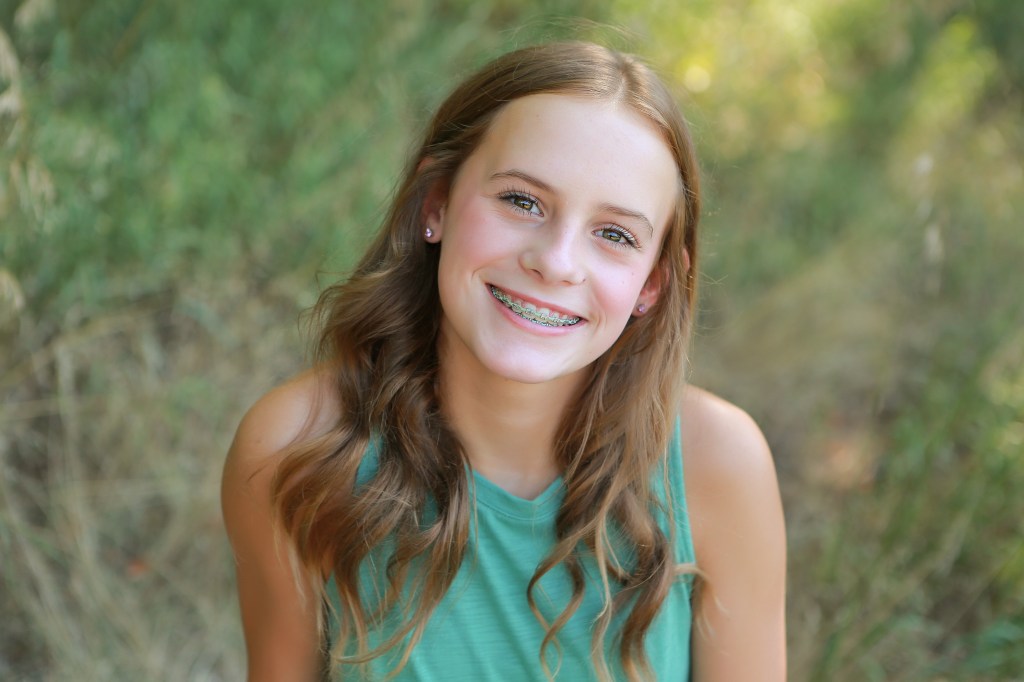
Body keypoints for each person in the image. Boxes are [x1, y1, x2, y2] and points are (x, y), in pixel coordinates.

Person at [222, 41, 786, 682]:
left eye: (614, 234)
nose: (556, 261)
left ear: (652, 284)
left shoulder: (716, 463)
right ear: (435, 204)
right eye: (522, 201)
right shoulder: (297, 450)